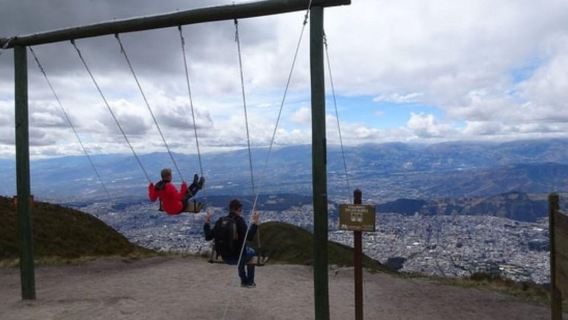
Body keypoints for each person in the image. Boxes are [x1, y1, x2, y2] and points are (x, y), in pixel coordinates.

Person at [204, 199, 260, 288]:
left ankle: (244, 281)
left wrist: (207, 222)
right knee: (251, 251)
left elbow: (208, 237)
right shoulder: (240, 221)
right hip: (237, 257)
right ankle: (248, 282)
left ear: (230, 209)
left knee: (243, 250)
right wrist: (255, 223)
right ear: (239, 209)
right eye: (241, 210)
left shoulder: (221, 221)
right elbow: (249, 237)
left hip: (224, 256)